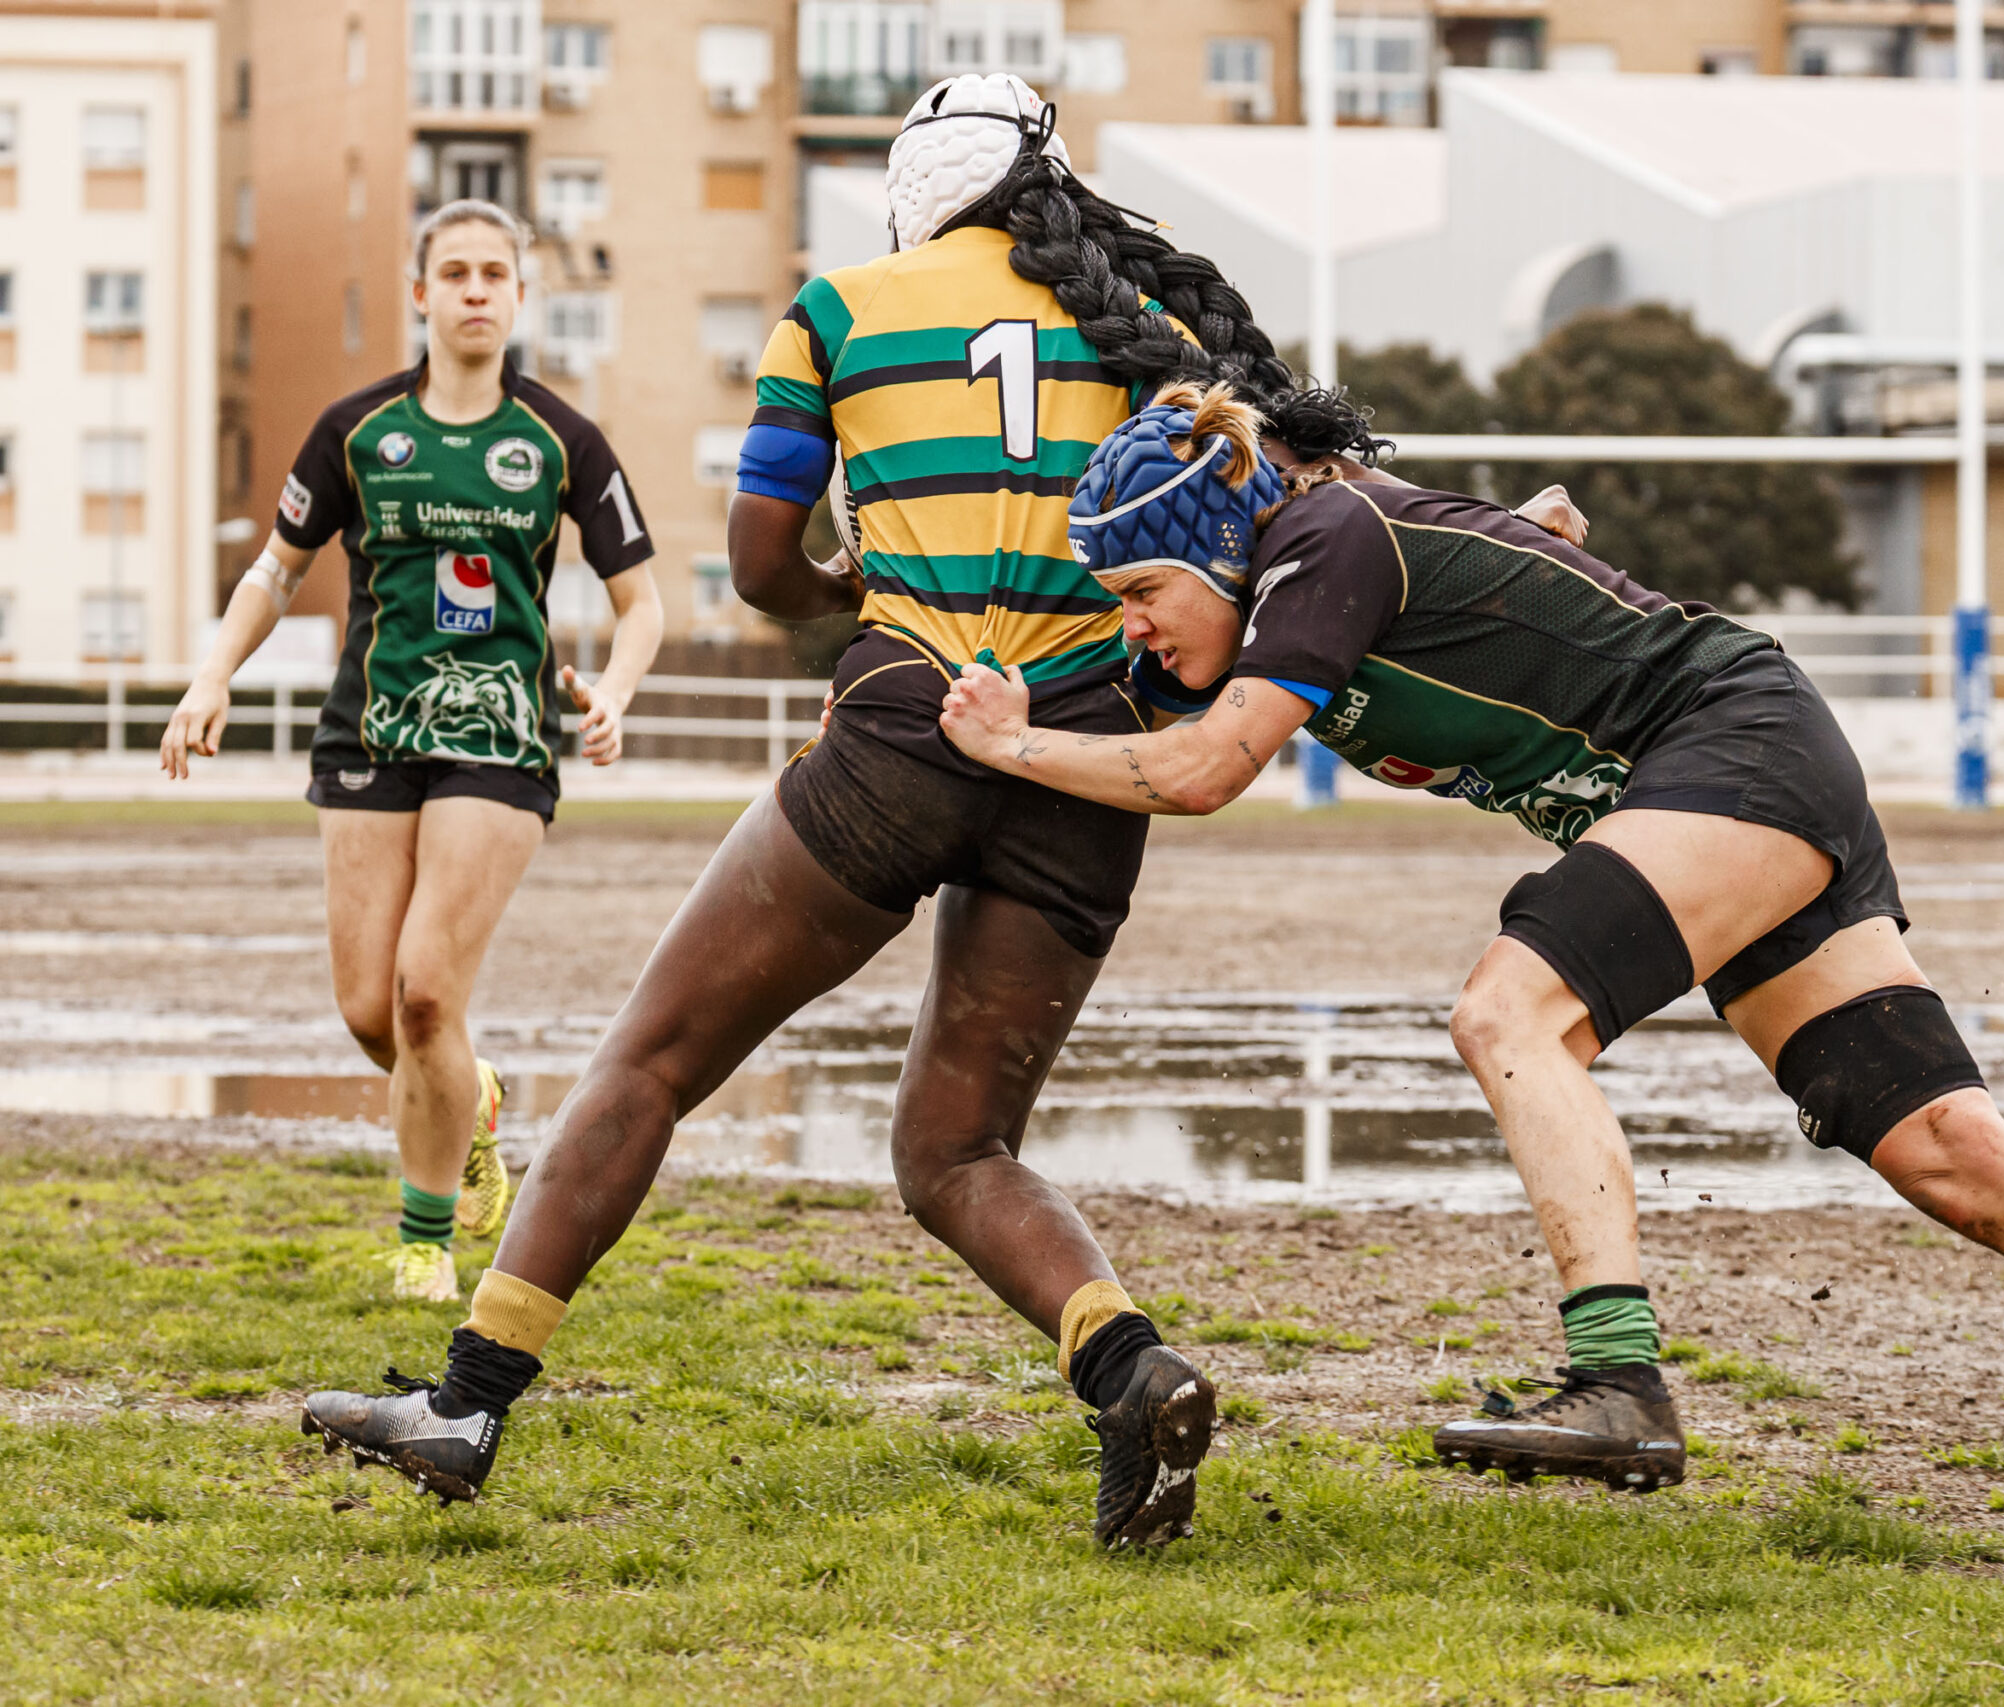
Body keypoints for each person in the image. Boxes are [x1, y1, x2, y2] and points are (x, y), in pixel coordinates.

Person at [934, 382, 2004, 1574]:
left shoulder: (1314, 542)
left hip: (1734, 750)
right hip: (1741, 775)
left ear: (1217, 546)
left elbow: (1200, 771)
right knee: (1960, 1161)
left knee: (1508, 1009)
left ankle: (1619, 1375)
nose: (1130, 623)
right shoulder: (1331, 563)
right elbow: (1516, 557)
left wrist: (1005, 744)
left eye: (1135, 587)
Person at [298, 77, 1380, 1549]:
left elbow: (760, 563)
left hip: (905, 733)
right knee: (957, 1147)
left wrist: (851, 605)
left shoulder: (842, 307)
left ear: (917, 185)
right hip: (1083, 768)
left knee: (652, 1061)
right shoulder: (1160, 329)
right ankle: (1132, 1363)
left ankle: (468, 1400)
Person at [163, 199, 662, 1303]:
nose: (477, 289)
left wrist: (615, 692)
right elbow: (275, 572)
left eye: (497, 273)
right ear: (421, 292)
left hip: (500, 744)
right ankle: (470, 1099)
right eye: (457, 272)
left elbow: (642, 603)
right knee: (368, 1012)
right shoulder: (357, 430)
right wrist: (212, 675)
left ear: (520, 297)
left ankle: (427, 1242)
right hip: (369, 735)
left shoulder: (564, 441)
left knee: (426, 991)